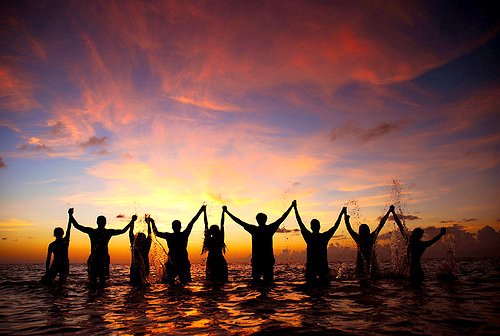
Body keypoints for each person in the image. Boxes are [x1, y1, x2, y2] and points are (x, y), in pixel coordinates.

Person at [224, 201, 295, 283]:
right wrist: (291, 206)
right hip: (266, 260)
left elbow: (239, 221)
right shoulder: (268, 229)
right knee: (268, 283)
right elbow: (282, 218)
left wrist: (227, 212)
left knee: (257, 283)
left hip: (258, 260)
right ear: (266, 220)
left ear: (257, 220)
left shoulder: (254, 229)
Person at [70, 209, 135, 285]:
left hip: (100, 258)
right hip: (99, 258)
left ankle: (94, 294)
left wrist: (70, 215)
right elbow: (123, 231)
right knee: (100, 280)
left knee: (95, 280)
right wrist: (132, 221)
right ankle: (100, 294)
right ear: (104, 223)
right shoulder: (103, 232)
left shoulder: (94, 232)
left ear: (97, 222)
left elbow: (77, 226)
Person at [150, 205, 205, 284]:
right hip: (179, 262)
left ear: (173, 227)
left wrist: (152, 222)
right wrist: (200, 211)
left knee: (172, 283)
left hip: (177, 262)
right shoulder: (183, 234)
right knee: (184, 283)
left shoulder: (171, 236)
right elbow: (192, 222)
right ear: (180, 227)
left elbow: (156, 233)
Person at [293, 203, 346, 284]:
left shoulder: (309, 237)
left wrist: (295, 208)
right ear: (320, 226)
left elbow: (299, 222)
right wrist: (341, 214)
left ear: (311, 227)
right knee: (324, 288)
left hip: (311, 267)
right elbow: (336, 226)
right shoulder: (324, 237)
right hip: (322, 267)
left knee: (310, 289)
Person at [391, 208, 446, 284]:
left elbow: (433, 240)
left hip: (416, 270)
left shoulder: (416, 243)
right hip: (415, 270)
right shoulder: (415, 242)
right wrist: (441, 234)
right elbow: (400, 225)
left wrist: (441, 234)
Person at [345, 206, 393, 280]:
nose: (363, 232)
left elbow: (349, 228)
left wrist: (346, 218)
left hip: (366, 266)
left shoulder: (361, 238)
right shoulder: (368, 238)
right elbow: (381, 224)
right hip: (365, 266)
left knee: (364, 279)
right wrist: (389, 211)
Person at [41, 208, 73, 284]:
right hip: (58, 263)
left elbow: (69, 228)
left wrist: (70, 216)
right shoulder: (53, 244)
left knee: (61, 283)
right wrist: (47, 271)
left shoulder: (64, 241)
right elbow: (48, 259)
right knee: (53, 282)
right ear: (55, 235)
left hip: (63, 264)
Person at [202, 207, 228, 283]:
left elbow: (206, 224)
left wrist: (204, 212)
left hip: (211, 259)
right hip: (219, 259)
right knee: (223, 280)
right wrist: (223, 212)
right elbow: (222, 224)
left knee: (211, 280)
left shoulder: (208, 239)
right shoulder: (220, 239)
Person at [129, 215, 153, 286]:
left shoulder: (136, 245)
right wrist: (148, 224)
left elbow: (130, 233)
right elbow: (130, 233)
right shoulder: (144, 245)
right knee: (144, 285)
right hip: (140, 267)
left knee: (135, 285)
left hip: (137, 267)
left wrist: (133, 221)